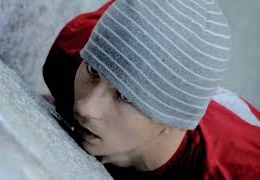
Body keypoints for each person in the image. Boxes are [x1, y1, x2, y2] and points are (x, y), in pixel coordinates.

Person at [43, 0, 260, 179]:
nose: (85, 107)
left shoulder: (236, 171)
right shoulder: (68, 56)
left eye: (125, 96)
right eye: (93, 71)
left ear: (172, 122)